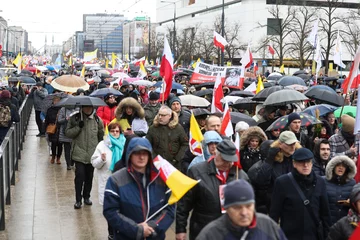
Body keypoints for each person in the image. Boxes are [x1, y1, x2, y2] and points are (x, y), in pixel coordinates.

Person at [103, 137, 175, 240]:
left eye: (145, 153)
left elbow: (170, 208)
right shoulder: (116, 180)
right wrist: (137, 230)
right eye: (137, 153)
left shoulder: (162, 178)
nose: (141, 157)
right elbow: (110, 211)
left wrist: (152, 227)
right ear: (129, 155)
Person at [176, 139, 249, 240]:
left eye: (230, 160)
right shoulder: (196, 172)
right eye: (224, 159)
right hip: (203, 229)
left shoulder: (240, 176)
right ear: (215, 154)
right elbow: (184, 203)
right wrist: (180, 229)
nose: (227, 164)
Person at [270, 148, 331, 240]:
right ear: (294, 164)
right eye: (301, 162)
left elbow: (325, 213)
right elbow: (274, 213)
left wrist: (327, 236)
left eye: (308, 162)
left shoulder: (320, 182)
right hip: (290, 236)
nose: (305, 165)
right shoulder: (282, 182)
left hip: (314, 235)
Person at [196, 179, 287, 240]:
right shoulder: (210, 234)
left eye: (248, 206)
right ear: (226, 208)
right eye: (237, 207)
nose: (244, 213)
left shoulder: (268, 225)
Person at [91, 122, 126, 240]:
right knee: (111, 211)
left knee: (123, 210)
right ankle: (111, 234)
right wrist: (101, 159)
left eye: (117, 131)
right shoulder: (102, 145)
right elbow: (94, 163)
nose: (115, 133)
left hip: (123, 184)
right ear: (108, 132)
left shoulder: (126, 144)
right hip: (107, 183)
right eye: (112, 131)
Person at [65, 105, 104, 209]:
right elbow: (68, 133)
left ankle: (86, 196)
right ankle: (78, 200)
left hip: (92, 153)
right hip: (79, 152)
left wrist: (101, 150)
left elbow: (101, 135)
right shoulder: (75, 118)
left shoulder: (97, 119)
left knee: (89, 176)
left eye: (89, 107)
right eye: (85, 107)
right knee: (80, 176)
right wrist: (78, 127)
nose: (87, 109)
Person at [324, 155, 356, 225]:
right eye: (338, 165)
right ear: (333, 167)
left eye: (343, 166)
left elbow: (356, 202)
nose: (341, 167)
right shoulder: (323, 181)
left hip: (345, 224)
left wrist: (350, 203)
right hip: (327, 223)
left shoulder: (352, 182)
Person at [45, 96, 62, 164]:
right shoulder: (50, 109)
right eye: (55, 101)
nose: (56, 102)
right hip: (52, 128)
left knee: (60, 144)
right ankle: (53, 157)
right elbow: (47, 119)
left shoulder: (62, 109)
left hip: (60, 128)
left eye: (58, 101)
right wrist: (45, 128)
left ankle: (58, 158)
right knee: (53, 144)